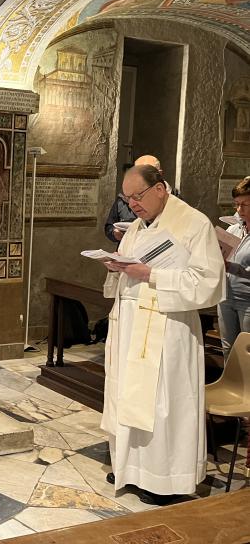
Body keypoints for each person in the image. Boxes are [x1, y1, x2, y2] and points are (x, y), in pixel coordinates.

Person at [99, 165, 224, 504]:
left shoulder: (193, 224)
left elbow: (209, 283)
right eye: (127, 199)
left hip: (169, 330)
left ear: (160, 189)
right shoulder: (137, 227)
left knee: (163, 404)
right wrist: (119, 266)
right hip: (132, 325)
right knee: (131, 396)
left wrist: (152, 275)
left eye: (137, 197)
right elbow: (131, 267)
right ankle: (132, 469)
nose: (132, 205)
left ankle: (166, 479)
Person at [104, 154, 177, 243]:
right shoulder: (123, 198)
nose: (132, 204)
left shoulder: (174, 200)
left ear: (160, 174)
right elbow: (109, 226)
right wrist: (114, 233)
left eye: (147, 175)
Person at [219, 177, 250, 358]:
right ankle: (229, 386)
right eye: (236, 204)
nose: (239, 210)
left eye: (244, 205)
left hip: (247, 300)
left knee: (247, 354)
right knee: (229, 351)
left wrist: (232, 267)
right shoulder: (233, 230)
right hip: (226, 297)